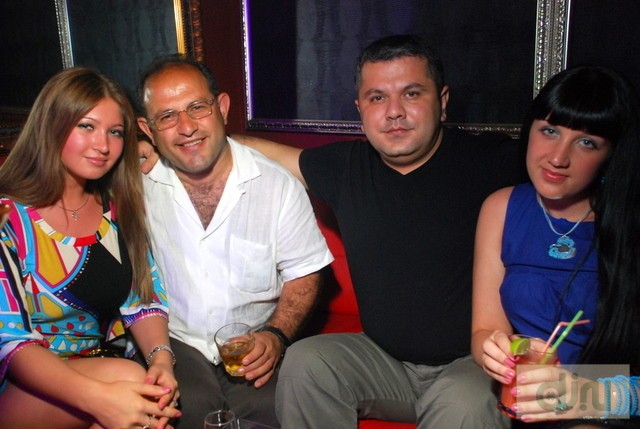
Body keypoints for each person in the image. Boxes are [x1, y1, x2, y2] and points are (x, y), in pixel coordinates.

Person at [201, 34, 528, 428]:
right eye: (377, 98)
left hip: (470, 366)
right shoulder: (346, 168)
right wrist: (172, 145)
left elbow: (573, 165)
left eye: (411, 93)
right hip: (384, 362)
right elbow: (262, 151)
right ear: (360, 108)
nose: (394, 112)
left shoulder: (492, 162)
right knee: (306, 363)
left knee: (462, 407)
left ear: (442, 101)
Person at [136, 55, 333, 428]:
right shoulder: (135, 186)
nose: (186, 127)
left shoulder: (278, 186)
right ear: (148, 129)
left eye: (197, 107)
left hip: (252, 343)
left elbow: (304, 273)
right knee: (184, 408)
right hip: (175, 343)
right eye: (167, 116)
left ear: (222, 107)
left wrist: (275, 335)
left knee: (288, 407)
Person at [0, 67, 180, 429]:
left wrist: (161, 359)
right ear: (52, 125)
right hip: (22, 384)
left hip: (106, 368)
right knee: (131, 385)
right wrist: (101, 398)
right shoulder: (9, 219)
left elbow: (142, 299)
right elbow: (11, 343)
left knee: (143, 394)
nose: (103, 145)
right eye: (87, 126)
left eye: (115, 132)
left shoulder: (116, 208)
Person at [472, 65, 640, 427]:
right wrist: (497, 350)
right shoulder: (501, 207)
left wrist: (588, 396)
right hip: (522, 399)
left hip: (604, 407)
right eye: (550, 131)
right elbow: (485, 329)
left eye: (586, 142)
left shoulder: (629, 225)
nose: (558, 158)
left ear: (611, 154)